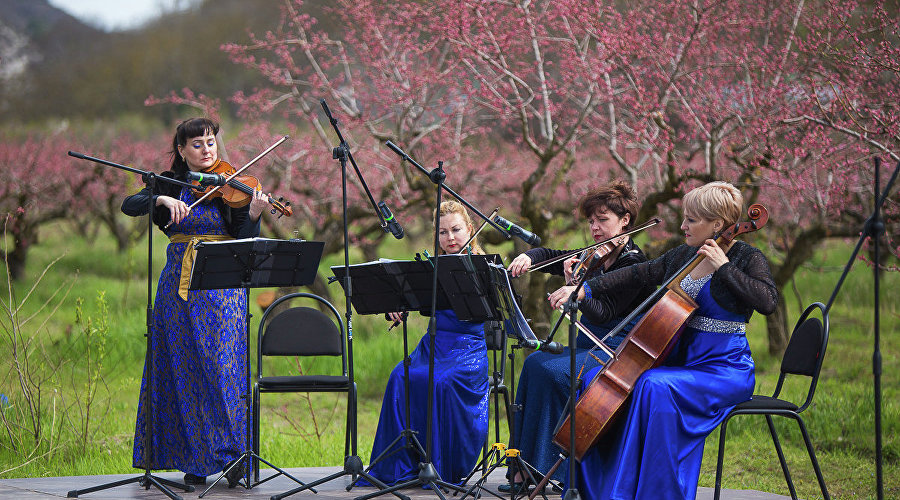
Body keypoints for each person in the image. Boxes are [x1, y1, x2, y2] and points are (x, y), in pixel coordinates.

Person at [547, 181, 778, 499]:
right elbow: (639, 273)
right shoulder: (685, 255)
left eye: (692, 220)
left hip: (724, 370)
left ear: (717, 225)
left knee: (654, 385)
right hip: (681, 362)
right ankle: (604, 488)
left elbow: (767, 302)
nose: (682, 226)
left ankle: (655, 492)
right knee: (595, 377)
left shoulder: (745, 258)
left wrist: (723, 267)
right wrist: (587, 288)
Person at [121, 117, 269, 487]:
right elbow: (129, 204)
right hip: (178, 291)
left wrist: (252, 214)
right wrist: (160, 197)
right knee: (182, 372)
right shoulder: (170, 181)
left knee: (224, 371)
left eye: (211, 142)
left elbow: (244, 236)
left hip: (222, 292)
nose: (207, 150)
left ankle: (234, 456)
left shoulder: (230, 184)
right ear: (182, 150)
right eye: (198, 144)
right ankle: (194, 462)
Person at [504, 181, 651, 490]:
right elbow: (551, 254)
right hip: (586, 344)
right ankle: (523, 466)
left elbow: (606, 313)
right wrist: (531, 258)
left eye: (603, 219)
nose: (595, 228)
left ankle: (548, 471)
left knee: (551, 371)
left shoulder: (635, 264)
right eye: (591, 221)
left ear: (625, 220)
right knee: (534, 364)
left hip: (613, 348)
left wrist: (578, 289)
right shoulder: (594, 255)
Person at [364, 200, 490, 486]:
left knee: (441, 381)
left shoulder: (483, 265)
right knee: (400, 375)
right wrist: (397, 307)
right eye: (443, 233)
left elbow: (492, 312)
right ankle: (401, 464)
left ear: (470, 229)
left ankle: (441, 463)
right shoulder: (431, 267)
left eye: (456, 230)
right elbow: (412, 299)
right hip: (433, 345)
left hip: (468, 351)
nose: (450, 238)